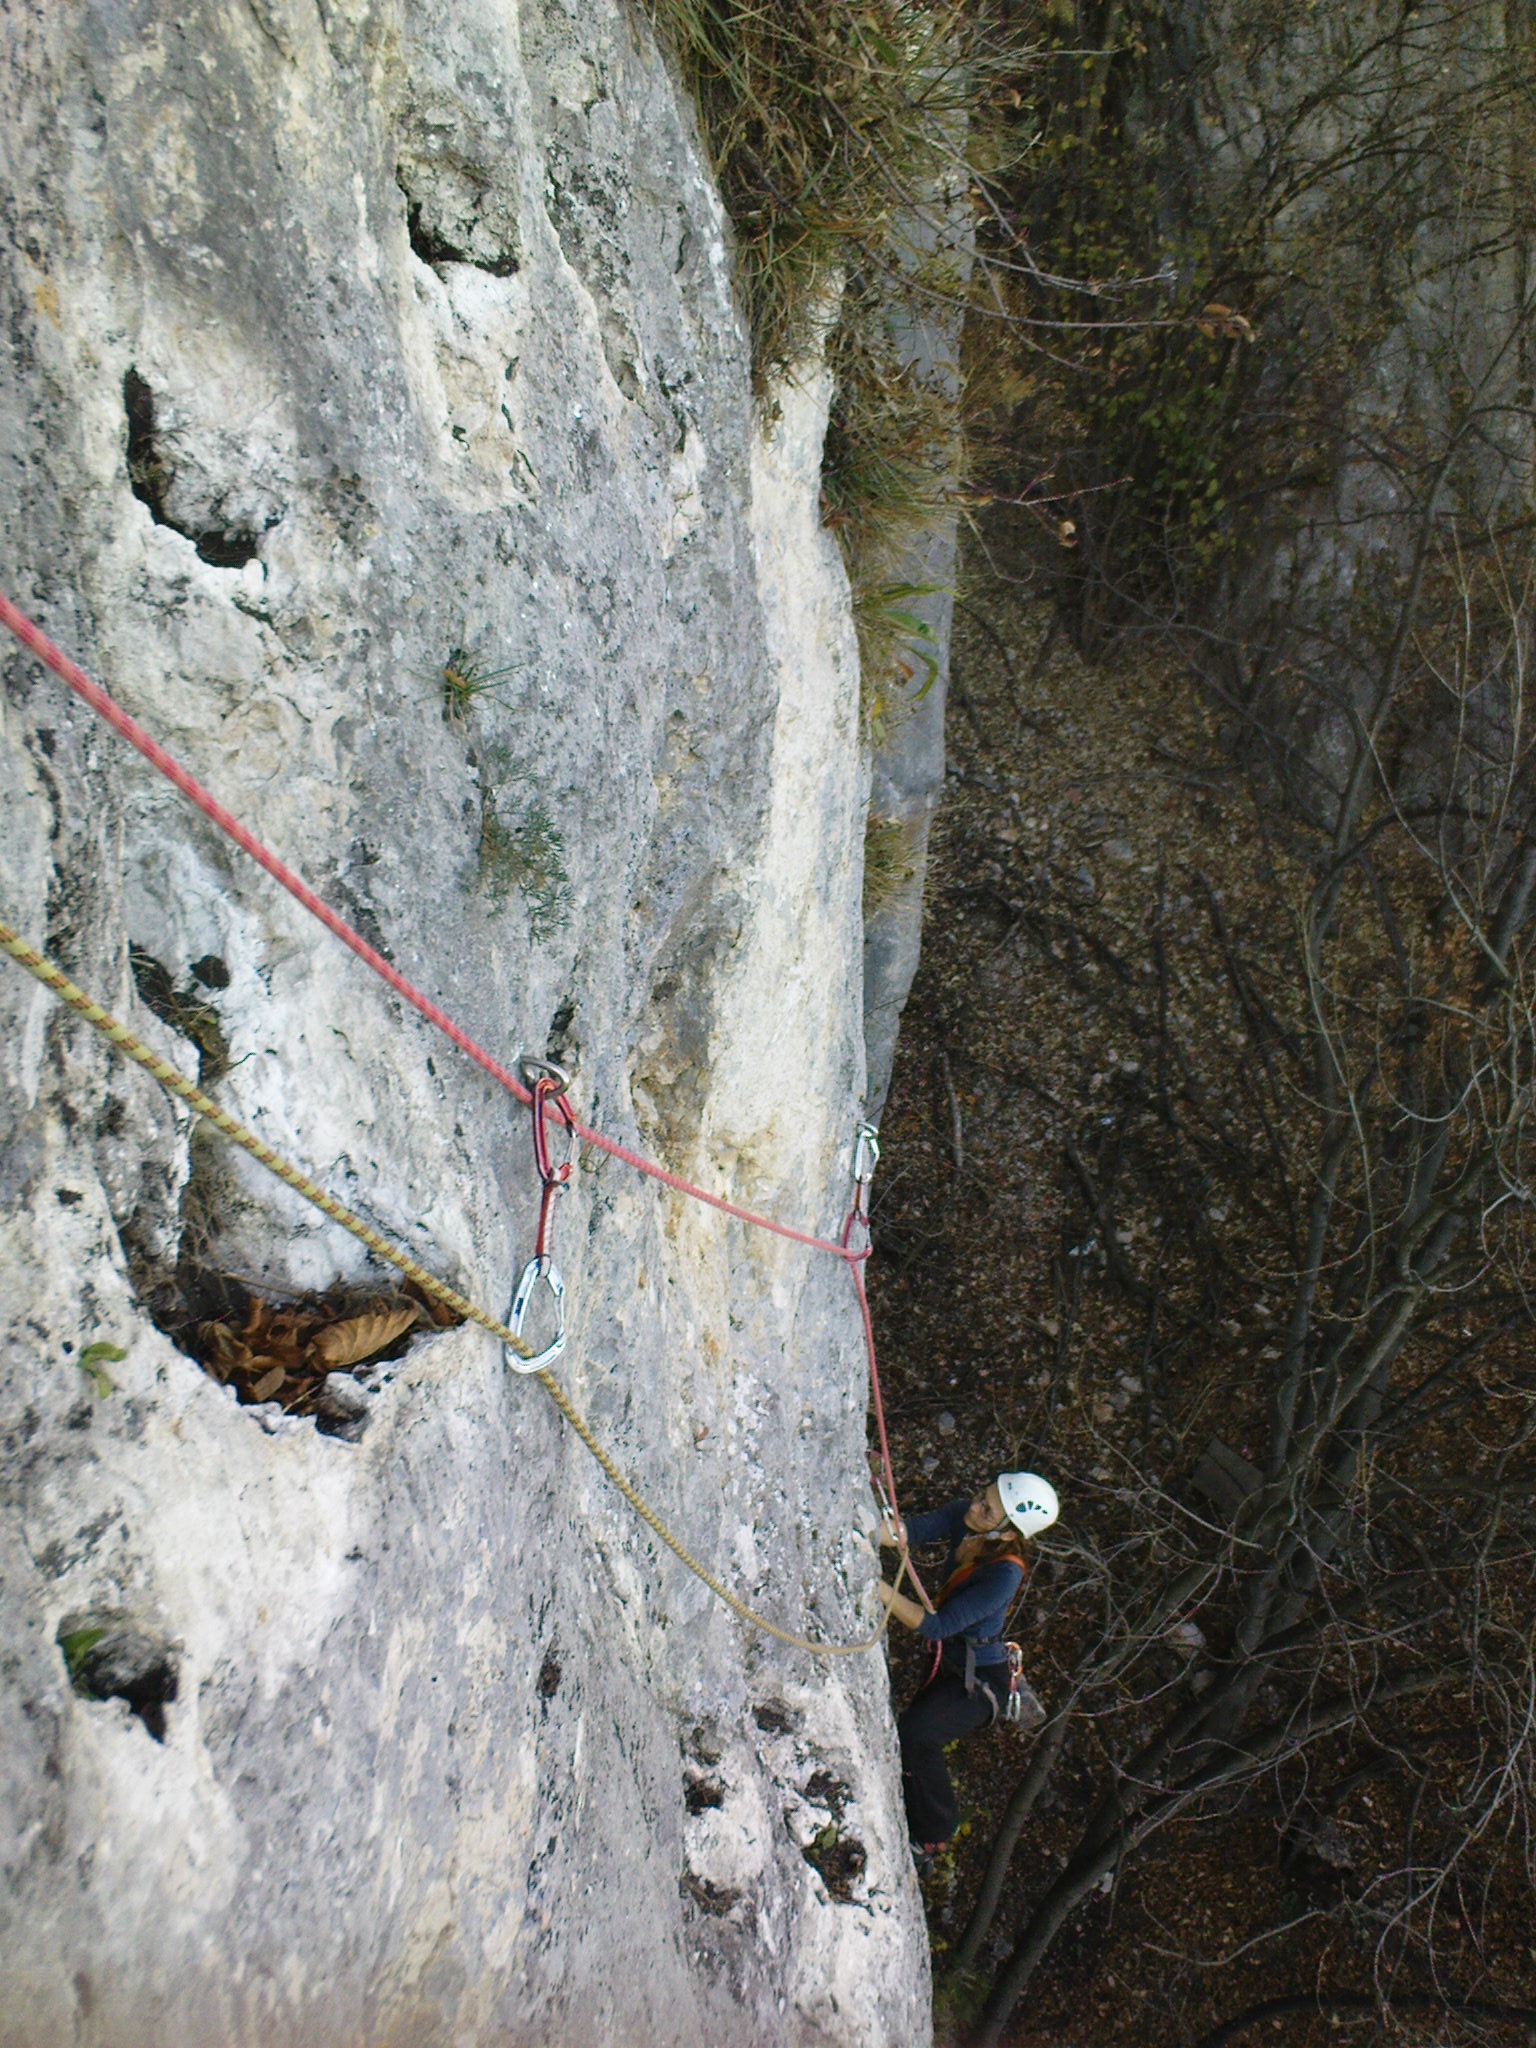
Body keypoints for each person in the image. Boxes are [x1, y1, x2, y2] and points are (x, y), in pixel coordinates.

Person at [877, 1471, 1059, 1862]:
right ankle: (912, 1803)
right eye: (981, 1497)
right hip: (956, 1661)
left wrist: (877, 1588)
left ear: (1009, 1534)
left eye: (987, 1510)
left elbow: (937, 1625)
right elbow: (912, 1531)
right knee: (912, 1733)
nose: (975, 1508)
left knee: (917, 1734)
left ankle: (936, 1831)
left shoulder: (1004, 1574)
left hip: (980, 1679)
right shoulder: (967, 1519)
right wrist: (868, 1534)